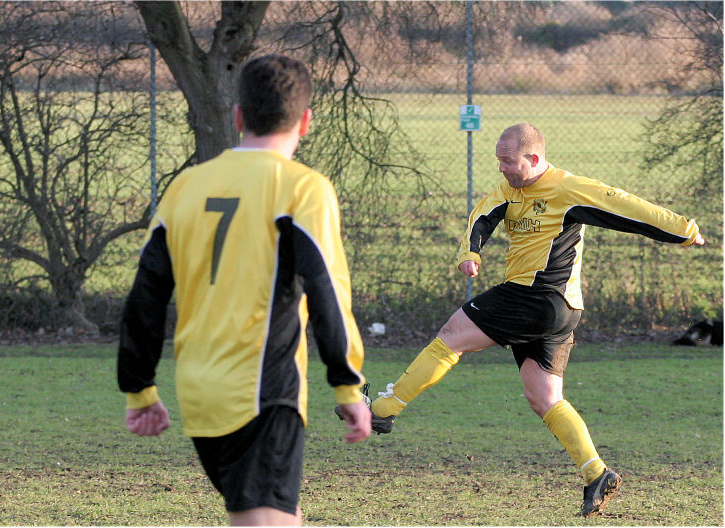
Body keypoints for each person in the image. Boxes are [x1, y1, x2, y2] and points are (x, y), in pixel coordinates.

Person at [343, 123, 705, 517]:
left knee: (451, 336)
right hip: (558, 310)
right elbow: (482, 217)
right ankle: (596, 472)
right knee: (544, 397)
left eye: (507, 160)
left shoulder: (568, 188)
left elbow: (625, 206)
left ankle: (382, 411)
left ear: (533, 158)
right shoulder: (509, 190)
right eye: (498, 159)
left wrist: (683, 231)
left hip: (537, 295)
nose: (501, 168)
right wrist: (471, 253)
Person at [118, 54, 372, 526]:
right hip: (261, 393)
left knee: (280, 513)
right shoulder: (303, 188)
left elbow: (145, 295)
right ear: (306, 122)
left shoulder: (187, 186)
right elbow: (327, 290)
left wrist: (139, 387)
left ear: (238, 117)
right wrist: (347, 383)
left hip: (199, 392)